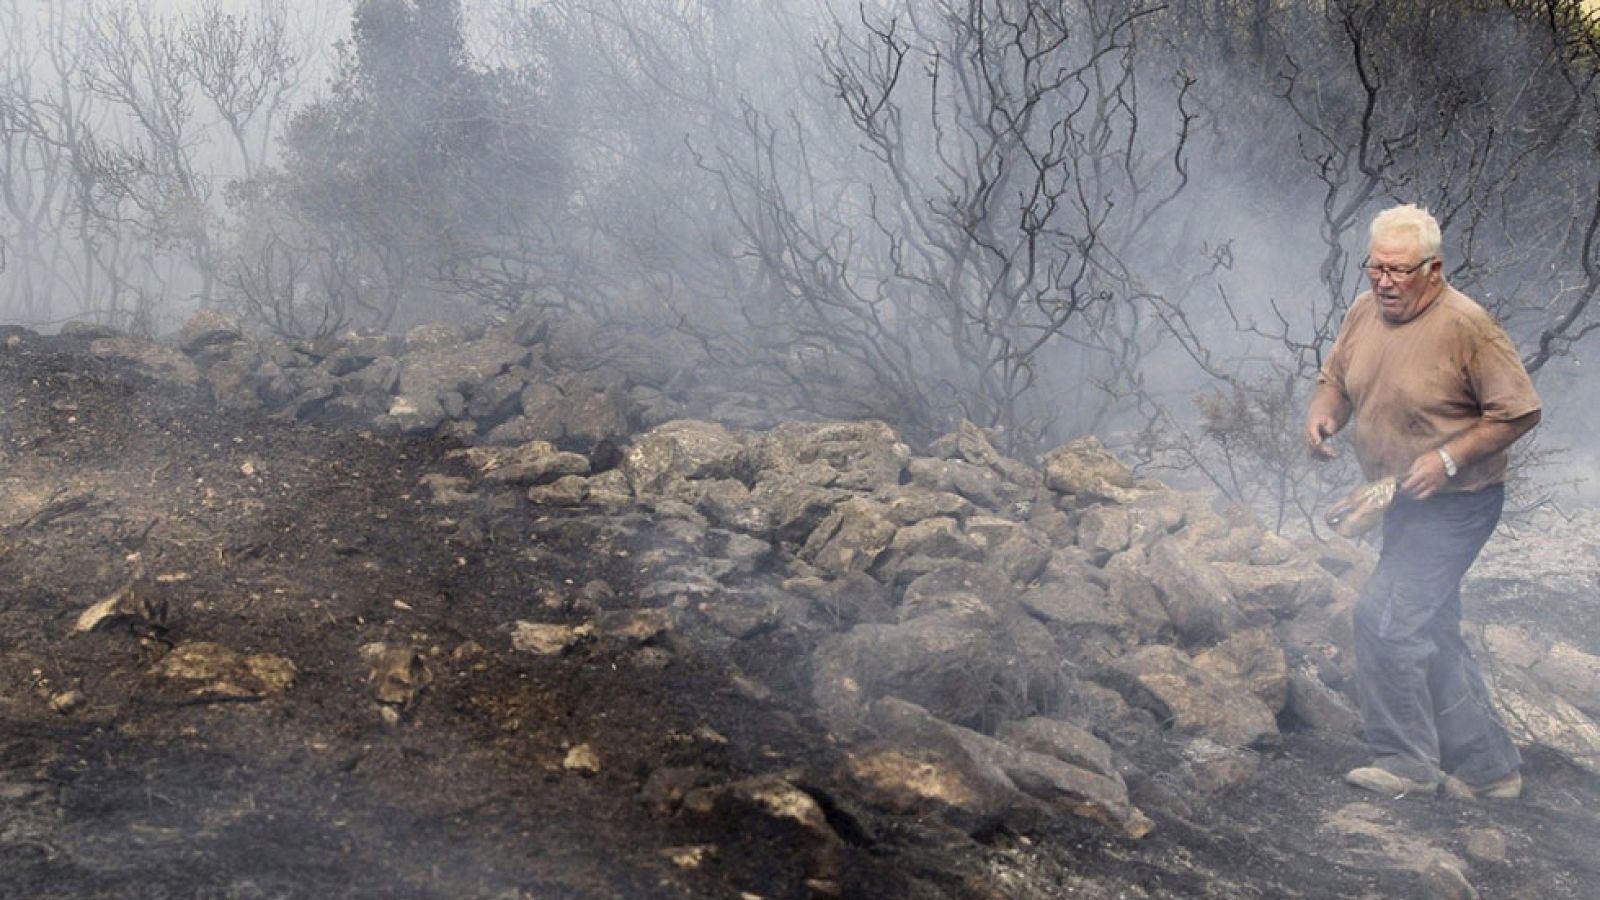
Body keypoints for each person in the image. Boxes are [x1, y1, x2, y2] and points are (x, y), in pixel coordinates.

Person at [1303, 203, 1540, 800]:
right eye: (1375, 267)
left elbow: (1520, 410)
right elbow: (1336, 379)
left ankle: (1405, 761)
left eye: (1399, 270)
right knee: (1432, 624)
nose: (1384, 281)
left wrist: (1449, 458)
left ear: (1433, 270)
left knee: (1383, 619)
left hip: (1458, 503)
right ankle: (1489, 771)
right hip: (1400, 502)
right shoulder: (1365, 312)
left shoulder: (1468, 326)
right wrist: (1324, 418)